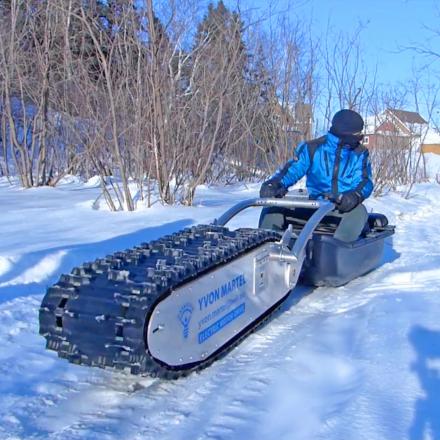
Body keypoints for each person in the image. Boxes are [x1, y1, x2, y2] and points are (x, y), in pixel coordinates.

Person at [259, 109, 373, 242]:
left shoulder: (359, 154)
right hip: (315, 205)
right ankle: (267, 244)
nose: (360, 137)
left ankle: (335, 250)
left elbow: (364, 181)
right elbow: (293, 169)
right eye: (357, 134)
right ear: (346, 133)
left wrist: (354, 196)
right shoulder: (312, 148)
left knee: (359, 212)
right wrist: (276, 183)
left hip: (341, 209)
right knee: (272, 207)